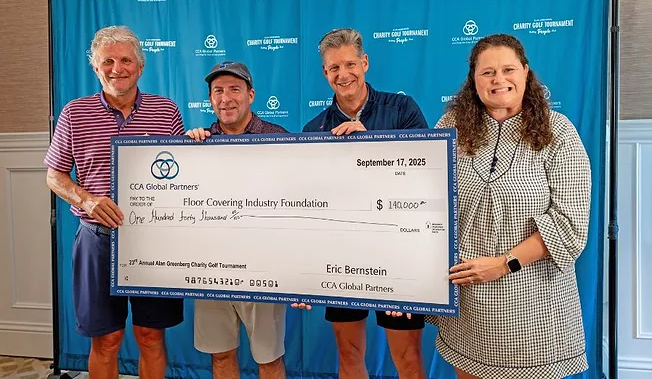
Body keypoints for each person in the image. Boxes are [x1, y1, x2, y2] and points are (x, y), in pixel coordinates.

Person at [427, 33, 591, 379]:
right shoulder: (451, 127)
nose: (498, 80)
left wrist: (504, 264)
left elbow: (569, 226)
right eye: (487, 72)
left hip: (535, 308)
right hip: (469, 305)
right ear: (474, 80)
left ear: (526, 72)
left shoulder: (559, 132)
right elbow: (423, 202)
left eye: (508, 70)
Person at [44, 25, 184, 379]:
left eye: (125, 60)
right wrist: (87, 200)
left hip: (154, 241)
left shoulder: (166, 110)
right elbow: (54, 175)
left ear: (140, 66)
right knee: (106, 340)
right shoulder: (74, 113)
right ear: (95, 67)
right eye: (107, 61)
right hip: (97, 240)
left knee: (150, 336)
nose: (116, 68)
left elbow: (184, 174)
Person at [297, 28, 429, 379]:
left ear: (365, 63)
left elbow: (426, 177)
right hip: (342, 257)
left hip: (399, 255)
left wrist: (372, 146)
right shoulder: (314, 129)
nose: (343, 74)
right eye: (334, 68)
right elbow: (308, 207)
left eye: (350, 64)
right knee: (349, 354)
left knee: (408, 358)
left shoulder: (402, 110)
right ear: (325, 72)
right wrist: (300, 271)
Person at [186, 61, 288, 379]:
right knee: (220, 354)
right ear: (210, 98)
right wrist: (185, 150)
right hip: (212, 268)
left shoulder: (279, 139)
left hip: (264, 269)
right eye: (218, 91)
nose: (226, 98)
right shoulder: (197, 143)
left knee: (269, 358)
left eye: (234, 89)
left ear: (251, 95)